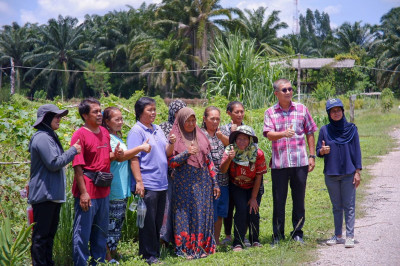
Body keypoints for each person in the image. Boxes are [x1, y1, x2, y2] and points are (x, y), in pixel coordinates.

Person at [263, 78, 318, 244]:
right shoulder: (270, 112)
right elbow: (268, 134)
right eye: (284, 90)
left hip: (300, 162)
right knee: (279, 200)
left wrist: (312, 155)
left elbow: (310, 132)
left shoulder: (302, 109)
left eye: (290, 89)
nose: (288, 92)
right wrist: (283, 134)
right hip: (280, 164)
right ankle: (277, 236)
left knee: (299, 199)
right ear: (276, 93)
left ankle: (297, 233)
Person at [71, 98, 123, 266]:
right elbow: (78, 166)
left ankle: (99, 262)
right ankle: (81, 263)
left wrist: (116, 154)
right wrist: (83, 193)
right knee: (82, 233)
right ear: (85, 115)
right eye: (95, 111)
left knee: (101, 232)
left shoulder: (104, 132)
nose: (100, 114)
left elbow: (105, 157)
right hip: (88, 190)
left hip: (104, 189)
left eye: (100, 111)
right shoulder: (79, 134)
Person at [28, 104, 81, 266]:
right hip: (44, 195)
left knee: (49, 235)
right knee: (41, 237)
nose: (59, 119)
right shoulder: (42, 137)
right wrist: (73, 150)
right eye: (56, 116)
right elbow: (53, 163)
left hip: (52, 195)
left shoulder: (49, 136)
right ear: (46, 119)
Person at [127, 97, 175, 265]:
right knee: (147, 221)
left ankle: (153, 252)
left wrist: (171, 143)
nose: (154, 113)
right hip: (147, 183)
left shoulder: (157, 129)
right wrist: (139, 182)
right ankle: (148, 255)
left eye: (154, 109)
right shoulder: (136, 131)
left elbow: (166, 153)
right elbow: (133, 158)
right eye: (150, 110)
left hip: (161, 183)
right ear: (140, 112)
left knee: (156, 221)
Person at [168, 107, 221, 259]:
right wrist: (186, 153)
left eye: (193, 120)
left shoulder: (201, 135)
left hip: (203, 181)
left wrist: (215, 183)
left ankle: (201, 247)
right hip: (184, 183)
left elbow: (209, 160)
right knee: (184, 215)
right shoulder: (174, 137)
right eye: (187, 121)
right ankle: (184, 249)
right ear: (180, 122)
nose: (191, 123)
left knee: (201, 212)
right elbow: (170, 163)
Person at [102, 107, 152, 262]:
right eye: (117, 120)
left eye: (121, 119)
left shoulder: (117, 137)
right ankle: (107, 256)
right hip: (114, 187)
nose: (121, 122)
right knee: (110, 224)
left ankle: (114, 251)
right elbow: (120, 157)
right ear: (107, 122)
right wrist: (140, 148)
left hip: (122, 188)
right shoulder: (108, 138)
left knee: (117, 223)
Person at [316, 98, 362, 248]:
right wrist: (322, 151)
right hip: (331, 174)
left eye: (338, 110)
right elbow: (318, 151)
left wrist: (358, 171)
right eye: (332, 111)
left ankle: (350, 236)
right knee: (336, 206)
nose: (336, 113)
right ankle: (337, 234)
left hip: (349, 173)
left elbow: (357, 151)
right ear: (329, 114)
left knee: (349, 205)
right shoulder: (324, 130)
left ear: (343, 111)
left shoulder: (352, 129)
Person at [220, 125, 268, 251]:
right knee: (241, 210)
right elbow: (223, 169)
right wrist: (229, 159)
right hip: (237, 186)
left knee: (253, 210)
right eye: (239, 139)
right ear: (235, 140)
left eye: (245, 139)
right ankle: (237, 242)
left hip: (254, 186)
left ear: (250, 140)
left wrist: (253, 197)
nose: (242, 142)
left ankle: (254, 240)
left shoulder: (258, 153)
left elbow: (259, 176)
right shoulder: (230, 150)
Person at [219, 101, 259, 246]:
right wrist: (231, 133)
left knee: (244, 206)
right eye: (237, 112)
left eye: (242, 111)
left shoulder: (249, 129)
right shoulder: (223, 129)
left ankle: (244, 234)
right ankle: (228, 234)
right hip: (229, 173)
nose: (240, 114)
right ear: (229, 113)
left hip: (245, 174)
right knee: (230, 206)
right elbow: (226, 145)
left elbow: (253, 149)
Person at [159, 99, 187, 244]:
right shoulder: (163, 127)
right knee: (167, 207)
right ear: (172, 113)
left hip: (186, 175)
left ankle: (180, 239)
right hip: (169, 174)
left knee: (182, 208)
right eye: (177, 112)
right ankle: (164, 240)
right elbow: (162, 151)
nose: (180, 116)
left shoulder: (188, 128)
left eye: (183, 112)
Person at [201, 106, 229, 245]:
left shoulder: (222, 131)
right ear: (204, 119)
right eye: (212, 118)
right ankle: (207, 241)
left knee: (220, 212)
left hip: (223, 179)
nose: (215, 121)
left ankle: (216, 241)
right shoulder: (200, 134)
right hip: (207, 181)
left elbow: (231, 145)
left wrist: (221, 136)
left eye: (217, 118)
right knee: (208, 212)